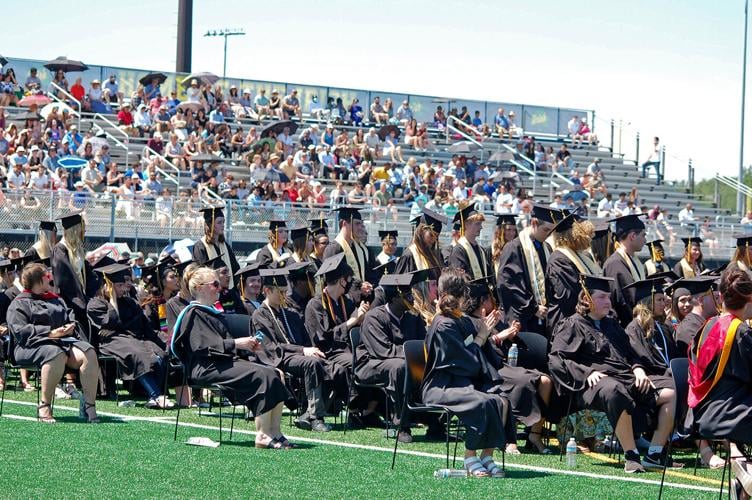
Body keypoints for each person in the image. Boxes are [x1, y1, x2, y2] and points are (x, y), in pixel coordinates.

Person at [549, 275, 681, 473]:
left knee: (671, 389)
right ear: (586, 299)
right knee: (614, 389)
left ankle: (654, 453)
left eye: (609, 297)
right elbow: (556, 360)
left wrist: (638, 369)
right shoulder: (571, 324)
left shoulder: (612, 325)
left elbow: (630, 354)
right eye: (602, 297)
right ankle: (631, 455)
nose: (608, 302)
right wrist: (587, 373)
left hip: (624, 377)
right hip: (591, 385)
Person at [172, 266, 295, 449]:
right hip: (206, 367)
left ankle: (275, 432)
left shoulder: (212, 312)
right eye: (214, 284)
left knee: (276, 373)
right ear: (199, 287)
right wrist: (237, 343)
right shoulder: (193, 314)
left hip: (222, 363)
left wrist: (248, 346)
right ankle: (262, 435)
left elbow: (225, 345)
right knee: (264, 376)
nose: (219, 287)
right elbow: (203, 347)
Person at [422, 268, 515, 477]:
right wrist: (481, 337)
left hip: (463, 382)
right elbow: (466, 362)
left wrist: (484, 334)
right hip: (443, 385)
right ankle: (469, 456)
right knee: (481, 402)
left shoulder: (461, 320)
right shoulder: (443, 324)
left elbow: (475, 355)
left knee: (499, 398)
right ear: (461, 295)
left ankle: (487, 456)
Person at [464, 276, 554, 454]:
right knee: (519, 383)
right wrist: (499, 337)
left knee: (545, 381)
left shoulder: (494, 319)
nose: (494, 301)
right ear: (482, 301)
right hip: (486, 370)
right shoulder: (468, 322)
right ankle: (508, 439)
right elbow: (471, 349)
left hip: (504, 364)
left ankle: (534, 435)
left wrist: (511, 335)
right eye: (490, 297)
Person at [252, 268, 347, 433]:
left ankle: (308, 413)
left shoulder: (291, 313)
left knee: (337, 369)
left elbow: (306, 340)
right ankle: (316, 416)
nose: (284, 295)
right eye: (280, 292)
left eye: (284, 291)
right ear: (267, 290)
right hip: (280, 356)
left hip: (300, 355)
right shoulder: (260, 315)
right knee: (312, 363)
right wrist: (303, 350)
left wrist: (309, 349)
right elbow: (270, 346)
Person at [7, 263, 100, 423]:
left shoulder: (55, 300)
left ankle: (89, 405)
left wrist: (70, 327)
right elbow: (21, 331)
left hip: (62, 343)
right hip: (29, 348)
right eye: (47, 276)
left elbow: (69, 317)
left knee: (88, 352)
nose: (50, 278)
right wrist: (50, 333)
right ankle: (44, 405)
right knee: (55, 354)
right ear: (39, 280)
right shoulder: (19, 303)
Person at [688, 269, 752, 494]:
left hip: (700, 413)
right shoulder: (741, 332)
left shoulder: (707, 327)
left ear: (721, 297)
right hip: (731, 413)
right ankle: (747, 473)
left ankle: (743, 484)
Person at [355, 272, 439, 443]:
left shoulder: (411, 318)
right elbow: (383, 351)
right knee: (400, 367)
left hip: (399, 361)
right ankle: (401, 425)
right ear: (394, 298)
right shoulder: (374, 317)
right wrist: (413, 354)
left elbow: (423, 344)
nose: (411, 298)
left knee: (430, 364)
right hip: (370, 363)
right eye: (407, 295)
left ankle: (435, 422)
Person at [304, 253, 380, 427]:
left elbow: (353, 320)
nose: (350, 284)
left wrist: (360, 314)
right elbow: (323, 337)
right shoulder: (316, 305)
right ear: (341, 281)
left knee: (375, 361)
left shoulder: (344, 301)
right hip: (329, 351)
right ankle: (358, 408)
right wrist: (352, 321)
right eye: (348, 280)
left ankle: (370, 409)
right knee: (360, 362)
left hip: (347, 349)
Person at [87, 263, 174, 409]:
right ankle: (156, 395)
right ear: (107, 286)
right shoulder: (95, 304)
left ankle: (148, 395)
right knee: (138, 354)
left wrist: (166, 340)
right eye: (119, 285)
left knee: (160, 353)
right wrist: (113, 301)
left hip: (134, 339)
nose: (123, 288)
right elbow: (110, 323)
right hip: (112, 342)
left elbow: (145, 327)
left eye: (123, 285)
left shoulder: (129, 302)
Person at [498, 204, 560, 336]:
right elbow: (508, 284)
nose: (548, 235)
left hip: (544, 317)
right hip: (522, 319)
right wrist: (533, 308)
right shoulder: (513, 248)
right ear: (534, 223)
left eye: (551, 231)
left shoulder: (546, 248)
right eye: (545, 230)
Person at [545, 213, 601, 337]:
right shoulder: (559, 259)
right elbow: (568, 294)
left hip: (583, 319)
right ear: (568, 235)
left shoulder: (578, 255)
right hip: (567, 323)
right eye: (576, 231)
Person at [51, 211, 99, 343]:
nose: (83, 232)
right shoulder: (60, 249)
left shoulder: (77, 250)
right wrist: (82, 301)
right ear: (75, 230)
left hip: (81, 299)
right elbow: (65, 279)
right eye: (81, 229)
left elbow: (88, 273)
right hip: (70, 302)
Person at [603, 214, 647, 327]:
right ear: (632, 236)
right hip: (625, 327)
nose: (645, 240)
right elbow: (623, 301)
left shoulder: (633, 260)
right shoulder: (615, 263)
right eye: (643, 235)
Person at [324, 206, 374, 300]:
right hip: (342, 302)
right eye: (357, 224)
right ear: (344, 224)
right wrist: (359, 286)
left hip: (360, 301)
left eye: (361, 224)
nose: (361, 227)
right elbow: (333, 281)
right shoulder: (333, 249)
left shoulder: (360, 249)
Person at [192, 206, 240, 288]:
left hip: (228, 292)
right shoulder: (200, 246)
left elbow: (235, 269)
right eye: (219, 222)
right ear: (210, 225)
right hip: (210, 291)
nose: (223, 225)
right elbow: (200, 272)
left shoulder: (225, 246)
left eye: (223, 222)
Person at [671, 277, 720, 357]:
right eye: (714, 297)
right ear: (701, 300)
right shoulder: (687, 329)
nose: (719, 301)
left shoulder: (708, 321)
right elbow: (706, 358)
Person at [449, 204, 493, 280]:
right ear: (466, 225)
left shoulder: (481, 250)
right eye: (477, 224)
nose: (481, 227)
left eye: (480, 224)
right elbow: (460, 280)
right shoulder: (458, 251)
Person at [395, 208, 446, 274]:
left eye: (436, 236)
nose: (433, 239)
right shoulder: (409, 255)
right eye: (431, 235)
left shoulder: (436, 254)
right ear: (422, 231)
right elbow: (400, 281)